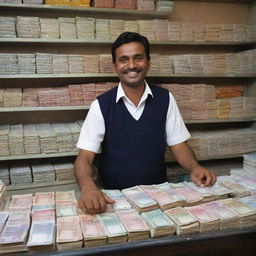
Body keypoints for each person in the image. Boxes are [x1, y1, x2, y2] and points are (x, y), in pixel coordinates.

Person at [75, 31, 216, 214]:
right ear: (115, 66)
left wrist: (194, 167)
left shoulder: (165, 99)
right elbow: (84, 157)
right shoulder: (101, 105)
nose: (131, 65)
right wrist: (88, 187)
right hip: (115, 198)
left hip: (159, 196)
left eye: (138, 58)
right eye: (124, 59)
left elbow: (179, 145)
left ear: (148, 62)